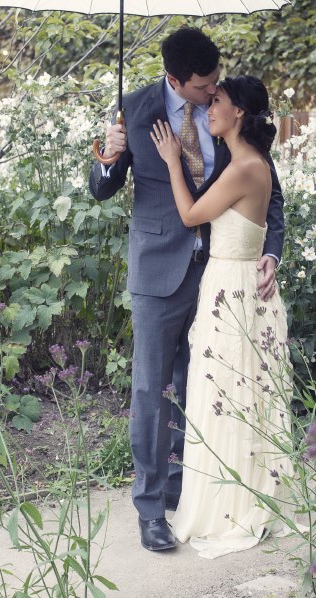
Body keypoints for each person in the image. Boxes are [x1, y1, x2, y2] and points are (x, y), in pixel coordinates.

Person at [88, 29, 286, 553]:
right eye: (202, 86)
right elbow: (102, 189)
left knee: (201, 386)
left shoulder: (227, 113)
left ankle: (187, 488)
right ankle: (151, 508)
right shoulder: (135, 109)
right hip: (157, 271)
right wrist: (108, 157)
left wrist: (271, 253)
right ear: (175, 80)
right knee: (152, 391)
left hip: (221, 275)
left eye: (216, 82)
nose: (211, 92)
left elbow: (271, 195)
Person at [151, 75, 294, 559]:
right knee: (233, 394)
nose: (209, 108)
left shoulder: (245, 166)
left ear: (239, 113)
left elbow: (192, 215)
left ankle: (229, 507)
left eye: (218, 102)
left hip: (232, 287)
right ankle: (236, 496)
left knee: (225, 395)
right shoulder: (248, 161)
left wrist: (173, 161)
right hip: (232, 283)